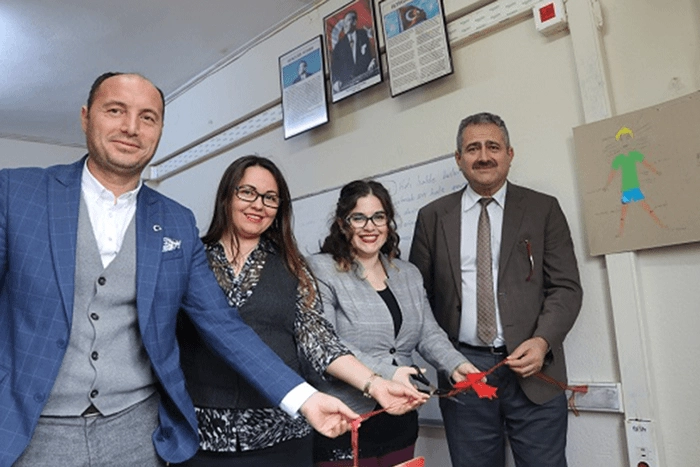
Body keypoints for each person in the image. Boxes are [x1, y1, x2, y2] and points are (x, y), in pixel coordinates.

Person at [0, 72, 359, 467]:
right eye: (115, 110)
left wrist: (304, 399)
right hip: (33, 429)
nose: (131, 127)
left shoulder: (175, 221)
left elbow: (222, 324)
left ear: (159, 130)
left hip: (138, 431)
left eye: (148, 117)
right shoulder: (17, 194)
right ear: (86, 117)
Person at [176, 156, 424, 466]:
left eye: (270, 198)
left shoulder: (294, 266)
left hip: (283, 437)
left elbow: (319, 340)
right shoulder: (190, 259)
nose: (258, 205)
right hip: (202, 437)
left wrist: (374, 384)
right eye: (247, 192)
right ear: (227, 195)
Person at [409, 112, 583, 467]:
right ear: (459, 159)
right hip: (464, 372)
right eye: (472, 148)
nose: (483, 156)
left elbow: (565, 286)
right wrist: (446, 359)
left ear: (510, 153)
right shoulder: (432, 217)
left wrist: (542, 341)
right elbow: (418, 298)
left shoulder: (542, 208)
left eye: (493, 146)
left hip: (535, 370)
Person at [307, 180, 476, 467]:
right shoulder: (319, 268)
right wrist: (389, 373)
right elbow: (327, 341)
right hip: (344, 418)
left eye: (378, 217)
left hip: (400, 415)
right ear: (342, 223)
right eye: (358, 217)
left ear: (389, 221)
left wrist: (457, 364)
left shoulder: (408, 273)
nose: (369, 227)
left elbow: (427, 332)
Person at [604, 126, 665, 236]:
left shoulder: (634, 154)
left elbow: (646, 164)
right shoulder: (619, 159)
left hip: (635, 187)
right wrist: (607, 185)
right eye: (623, 139)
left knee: (647, 208)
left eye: (627, 138)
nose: (625, 142)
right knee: (623, 212)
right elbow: (613, 173)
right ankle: (620, 232)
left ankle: (660, 225)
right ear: (619, 142)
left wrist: (656, 171)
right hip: (626, 189)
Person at [330, 10, 377, 92]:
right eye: (344, 22)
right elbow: (335, 67)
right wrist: (336, 81)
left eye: (347, 21)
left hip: (368, 80)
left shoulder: (364, 34)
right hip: (349, 86)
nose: (344, 25)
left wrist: (373, 60)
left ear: (354, 22)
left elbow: (373, 51)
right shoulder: (339, 46)